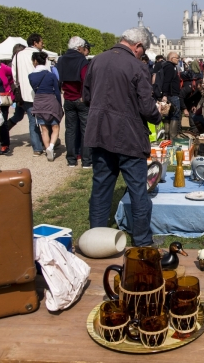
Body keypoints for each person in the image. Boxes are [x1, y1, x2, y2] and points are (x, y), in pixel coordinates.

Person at [83, 28, 162, 247]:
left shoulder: (97, 60)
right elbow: (147, 106)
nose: (141, 54)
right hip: (128, 136)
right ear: (138, 46)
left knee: (100, 188)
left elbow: (87, 97)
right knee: (138, 190)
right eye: (142, 50)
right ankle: (143, 240)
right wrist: (158, 116)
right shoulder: (137, 66)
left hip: (100, 133)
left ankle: (95, 239)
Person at [56, 36, 91, 168]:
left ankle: (71, 159)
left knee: (70, 130)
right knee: (85, 130)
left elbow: (59, 78)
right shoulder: (82, 60)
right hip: (80, 98)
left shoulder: (62, 60)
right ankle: (86, 161)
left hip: (68, 98)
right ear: (79, 48)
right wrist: (84, 95)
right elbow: (85, 80)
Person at [11, 33, 48, 156]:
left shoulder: (17, 56)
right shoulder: (41, 55)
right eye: (41, 42)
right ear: (35, 42)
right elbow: (47, 73)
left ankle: (37, 148)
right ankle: (47, 143)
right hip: (42, 92)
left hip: (26, 93)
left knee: (33, 121)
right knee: (45, 120)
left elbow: (15, 76)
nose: (43, 44)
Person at [29, 51, 63, 162]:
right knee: (55, 127)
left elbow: (35, 90)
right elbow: (57, 92)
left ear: (35, 61)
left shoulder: (31, 76)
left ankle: (47, 148)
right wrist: (59, 105)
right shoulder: (51, 75)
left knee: (44, 129)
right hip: (51, 101)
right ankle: (52, 147)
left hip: (39, 101)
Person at [161, 52, 181, 140]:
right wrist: (165, 94)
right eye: (177, 58)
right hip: (172, 95)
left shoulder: (167, 66)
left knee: (167, 115)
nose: (178, 59)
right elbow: (167, 81)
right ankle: (172, 138)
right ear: (172, 58)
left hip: (170, 94)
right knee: (174, 115)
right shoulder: (170, 67)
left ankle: (167, 138)